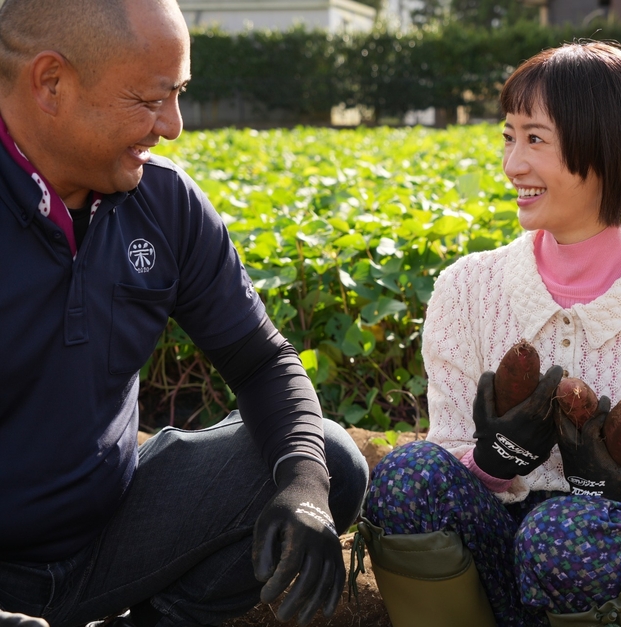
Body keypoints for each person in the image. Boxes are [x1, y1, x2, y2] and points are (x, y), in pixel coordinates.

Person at [0, 1, 369, 626]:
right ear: (51, 83)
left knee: (326, 459)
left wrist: (303, 487)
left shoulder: (165, 203)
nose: (172, 126)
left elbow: (262, 362)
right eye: (148, 100)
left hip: (107, 536)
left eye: (179, 95)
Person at [356, 41, 621, 626]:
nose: (512, 165)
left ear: (607, 147)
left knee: (564, 535)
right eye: (509, 137)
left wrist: (612, 503)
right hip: (500, 550)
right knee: (406, 478)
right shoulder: (467, 289)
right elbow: (451, 439)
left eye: (535, 139)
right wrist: (490, 461)